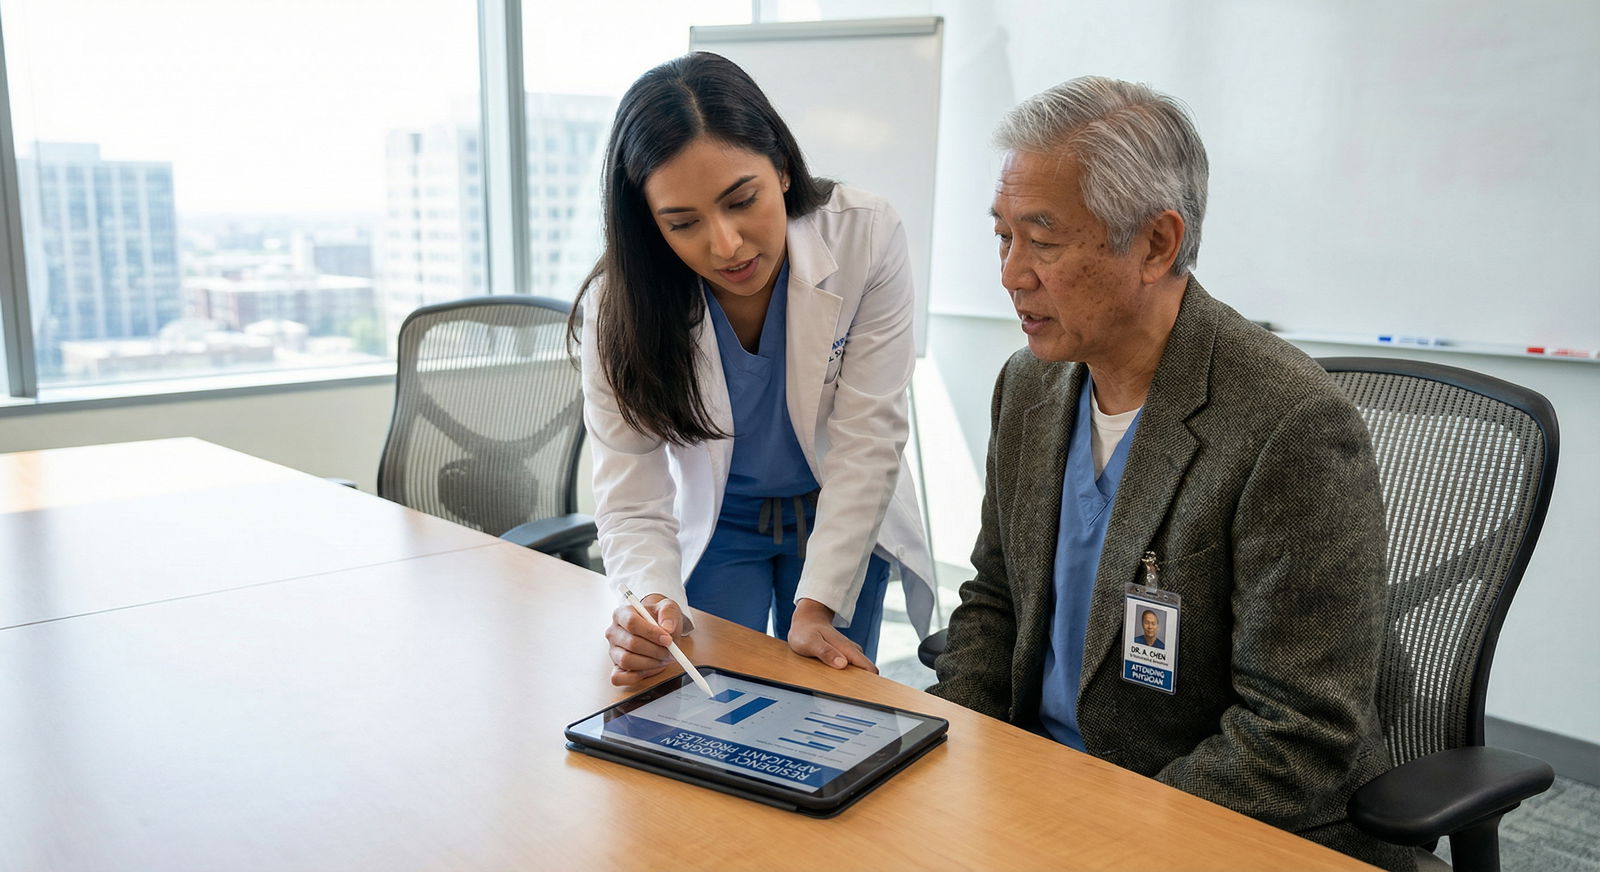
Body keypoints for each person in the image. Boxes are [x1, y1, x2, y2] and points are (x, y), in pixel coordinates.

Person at [926, 76, 1412, 871]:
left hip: (1200, 825)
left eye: (1043, 240)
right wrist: (952, 750)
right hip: (1038, 792)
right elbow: (994, 599)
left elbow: (1297, 734)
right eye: (1002, 237)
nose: (1013, 274)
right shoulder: (1030, 385)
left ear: (1156, 243)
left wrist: (1108, 833)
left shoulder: (1289, 426)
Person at [578, 52, 934, 685]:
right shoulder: (619, 307)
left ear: (784, 169)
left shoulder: (865, 235)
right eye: (682, 223)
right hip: (719, 528)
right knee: (702, 698)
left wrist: (818, 603)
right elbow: (631, 491)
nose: (726, 245)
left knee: (832, 715)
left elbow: (867, 436)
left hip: (837, 510)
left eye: (742, 200)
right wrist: (649, 603)